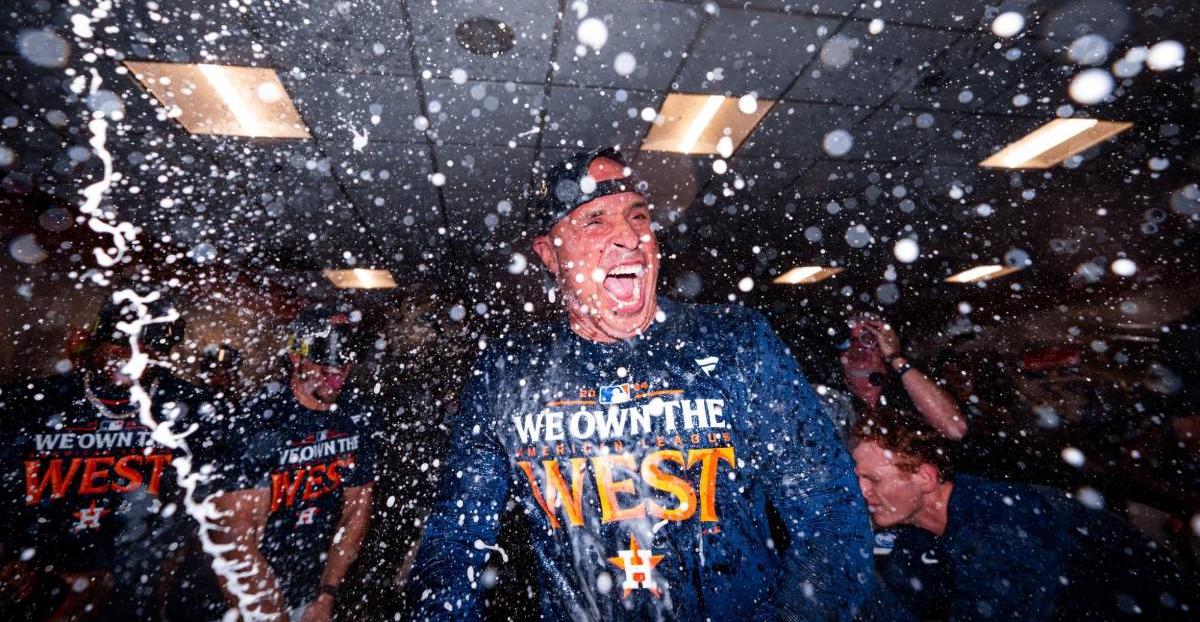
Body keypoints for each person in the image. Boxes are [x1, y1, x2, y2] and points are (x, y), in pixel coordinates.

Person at [406, 147, 873, 620]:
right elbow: (455, 539)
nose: (629, 237)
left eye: (639, 216)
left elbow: (832, 516)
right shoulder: (508, 373)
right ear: (550, 254)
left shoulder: (737, 343)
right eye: (595, 221)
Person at [0, 286, 223, 621]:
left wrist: (167, 561)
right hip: (44, 584)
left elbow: (209, 497)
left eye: (149, 345)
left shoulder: (190, 408)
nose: (132, 355)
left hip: (137, 585)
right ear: (95, 337)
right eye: (121, 339)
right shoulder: (29, 404)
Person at [851, 414, 1198, 621]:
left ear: (926, 478)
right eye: (858, 480)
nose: (861, 492)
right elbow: (897, 607)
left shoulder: (1001, 521)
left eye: (874, 479)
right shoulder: (917, 530)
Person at [209, 304, 376, 622]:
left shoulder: (355, 415)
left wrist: (327, 594)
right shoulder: (260, 419)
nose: (337, 371)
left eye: (346, 357)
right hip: (239, 598)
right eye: (325, 355)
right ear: (296, 355)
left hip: (306, 593)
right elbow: (235, 539)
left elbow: (357, 507)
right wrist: (273, 614)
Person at [830, 316, 967, 441]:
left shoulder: (908, 390)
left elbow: (954, 428)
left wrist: (895, 357)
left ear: (883, 346)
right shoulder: (829, 395)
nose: (857, 347)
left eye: (868, 339)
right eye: (848, 341)